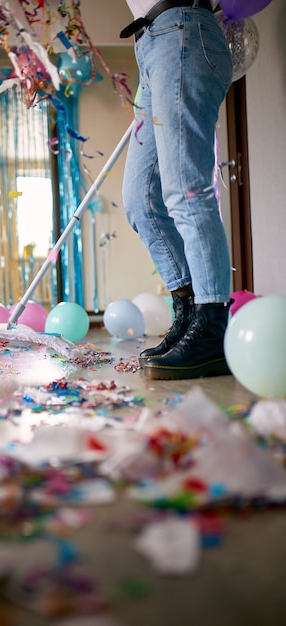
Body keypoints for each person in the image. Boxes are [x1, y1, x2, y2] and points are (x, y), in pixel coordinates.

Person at [120, 0, 233, 380]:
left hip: (182, 30)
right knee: (141, 201)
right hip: (150, 44)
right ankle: (188, 313)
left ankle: (212, 324)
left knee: (186, 191)